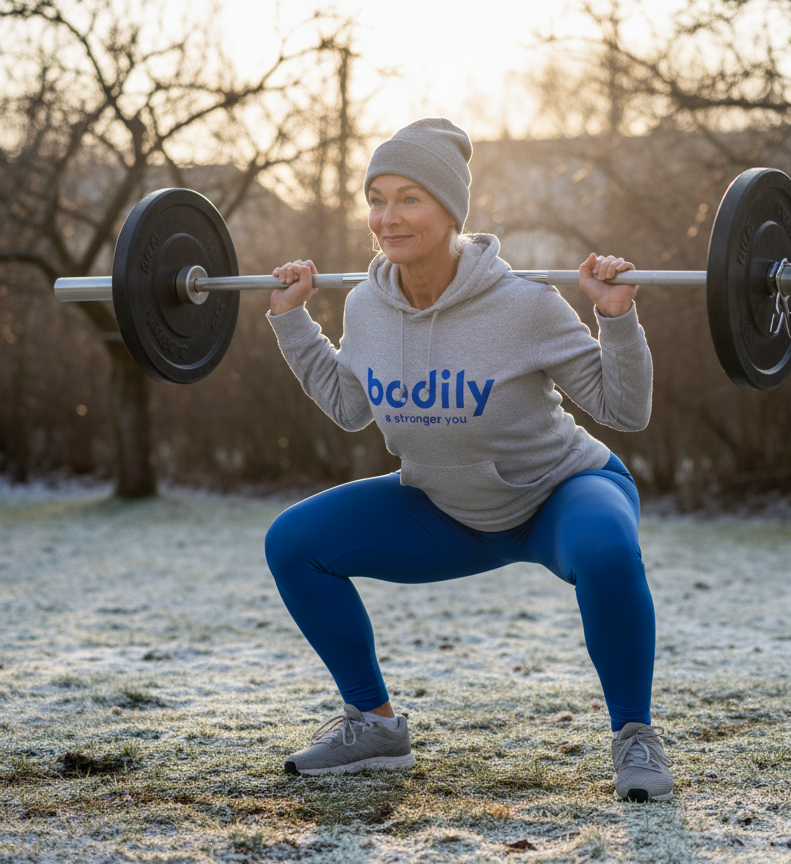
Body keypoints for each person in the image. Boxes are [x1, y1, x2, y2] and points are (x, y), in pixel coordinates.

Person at [263, 118, 672, 802]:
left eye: (410, 198)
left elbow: (624, 411)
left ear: (451, 211)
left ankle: (636, 736)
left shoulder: (525, 305)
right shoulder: (366, 307)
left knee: (606, 548)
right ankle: (375, 726)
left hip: (560, 495)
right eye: (376, 198)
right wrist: (292, 322)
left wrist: (617, 318)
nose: (387, 217)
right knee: (294, 542)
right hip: (445, 509)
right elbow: (349, 407)